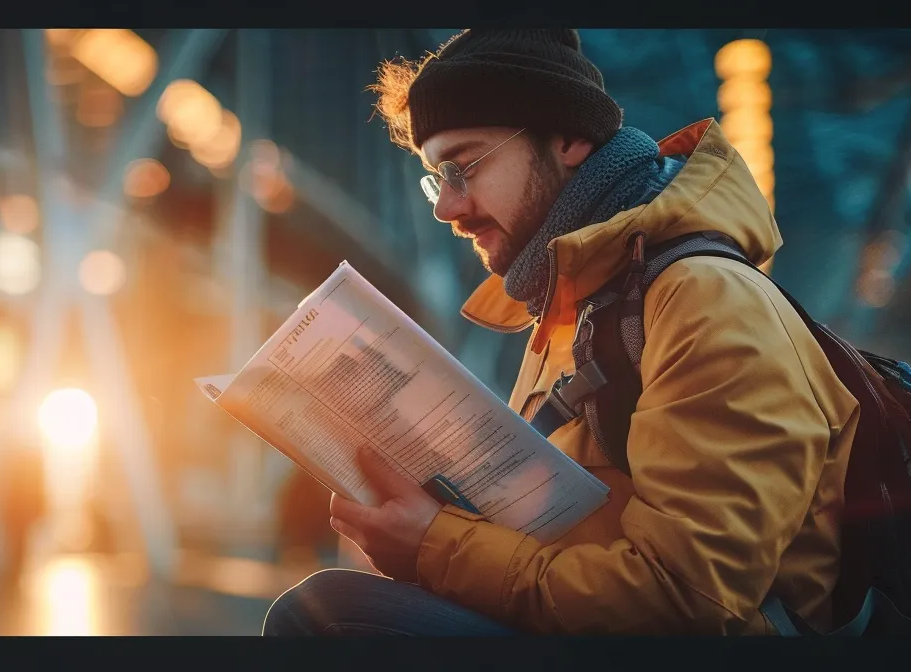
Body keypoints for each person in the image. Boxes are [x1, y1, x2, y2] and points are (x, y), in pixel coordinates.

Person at [263, 29, 860, 636]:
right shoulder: (573, 309)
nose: (446, 206)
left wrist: (436, 545)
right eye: (435, 179)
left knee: (325, 616)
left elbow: (692, 603)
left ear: (570, 138)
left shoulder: (703, 298)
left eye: (463, 167)